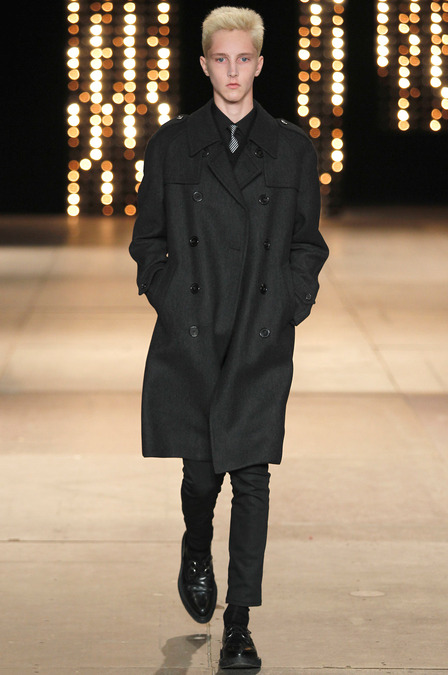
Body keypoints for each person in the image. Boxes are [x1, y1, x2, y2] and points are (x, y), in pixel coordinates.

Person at [129, 6, 328, 669]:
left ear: (260, 64)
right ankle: (195, 546)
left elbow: (307, 243)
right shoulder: (172, 145)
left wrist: (290, 301)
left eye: (244, 59)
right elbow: (148, 239)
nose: (233, 71)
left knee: (252, 474)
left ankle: (239, 622)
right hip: (195, 328)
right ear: (206, 64)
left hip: (258, 331)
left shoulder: (292, 149)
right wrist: (167, 292)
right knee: (201, 472)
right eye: (222, 59)